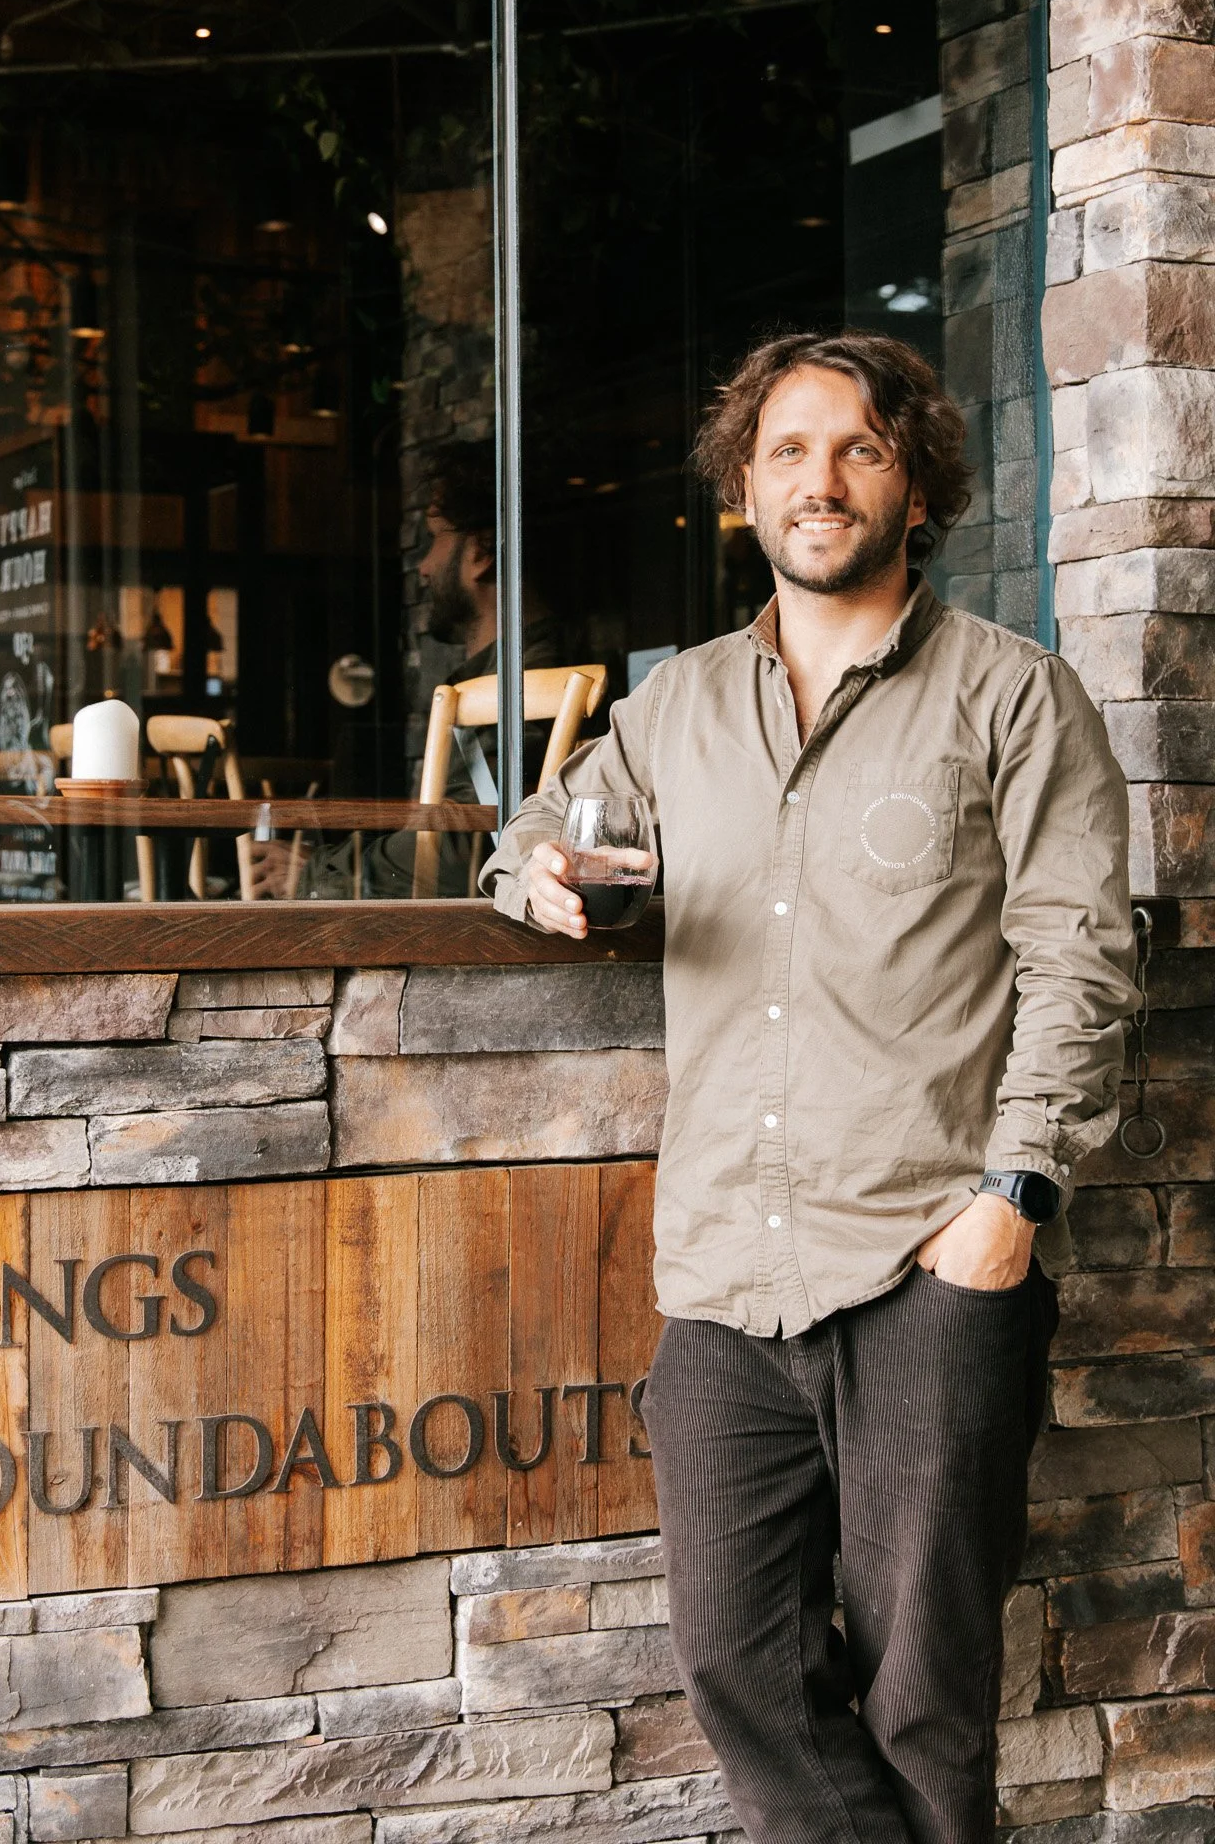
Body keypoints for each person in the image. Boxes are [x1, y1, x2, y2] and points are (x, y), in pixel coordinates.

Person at [479, 331, 1137, 1844]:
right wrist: (542, 876)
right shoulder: (676, 709)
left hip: (927, 1263)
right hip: (726, 1275)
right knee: (739, 1667)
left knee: (925, 1703)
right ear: (744, 487)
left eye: (859, 449)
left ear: (918, 488)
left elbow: (1083, 961)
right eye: (786, 450)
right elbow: (539, 830)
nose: (818, 480)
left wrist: (1012, 1199)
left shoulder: (1014, 697)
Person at [247, 441, 563, 898]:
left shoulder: (534, 683)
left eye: (435, 537)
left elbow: (469, 849)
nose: (424, 567)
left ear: (481, 551)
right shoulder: (501, 676)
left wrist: (320, 876)